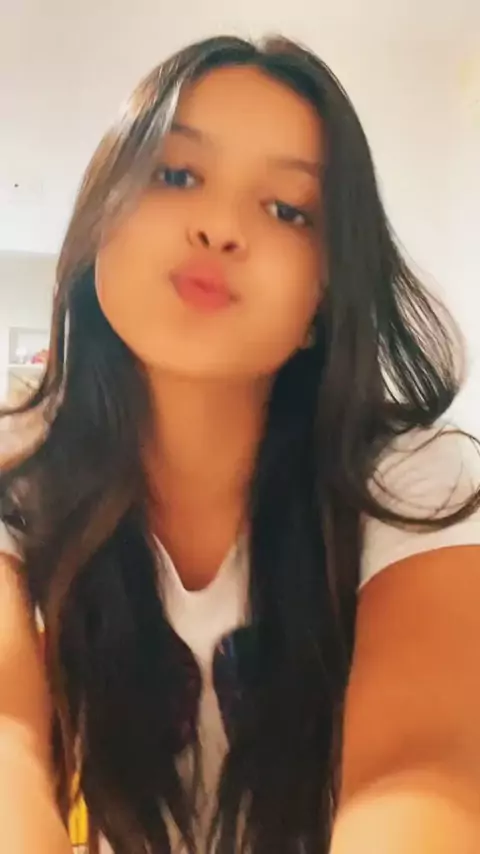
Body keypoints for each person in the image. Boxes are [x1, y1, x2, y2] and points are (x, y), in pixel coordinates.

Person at [1, 34, 480, 854]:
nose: (220, 227)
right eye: (177, 175)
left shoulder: (413, 482)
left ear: (326, 294)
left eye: (289, 210)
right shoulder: (19, 458)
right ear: (97, 225)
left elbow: (424, 771)